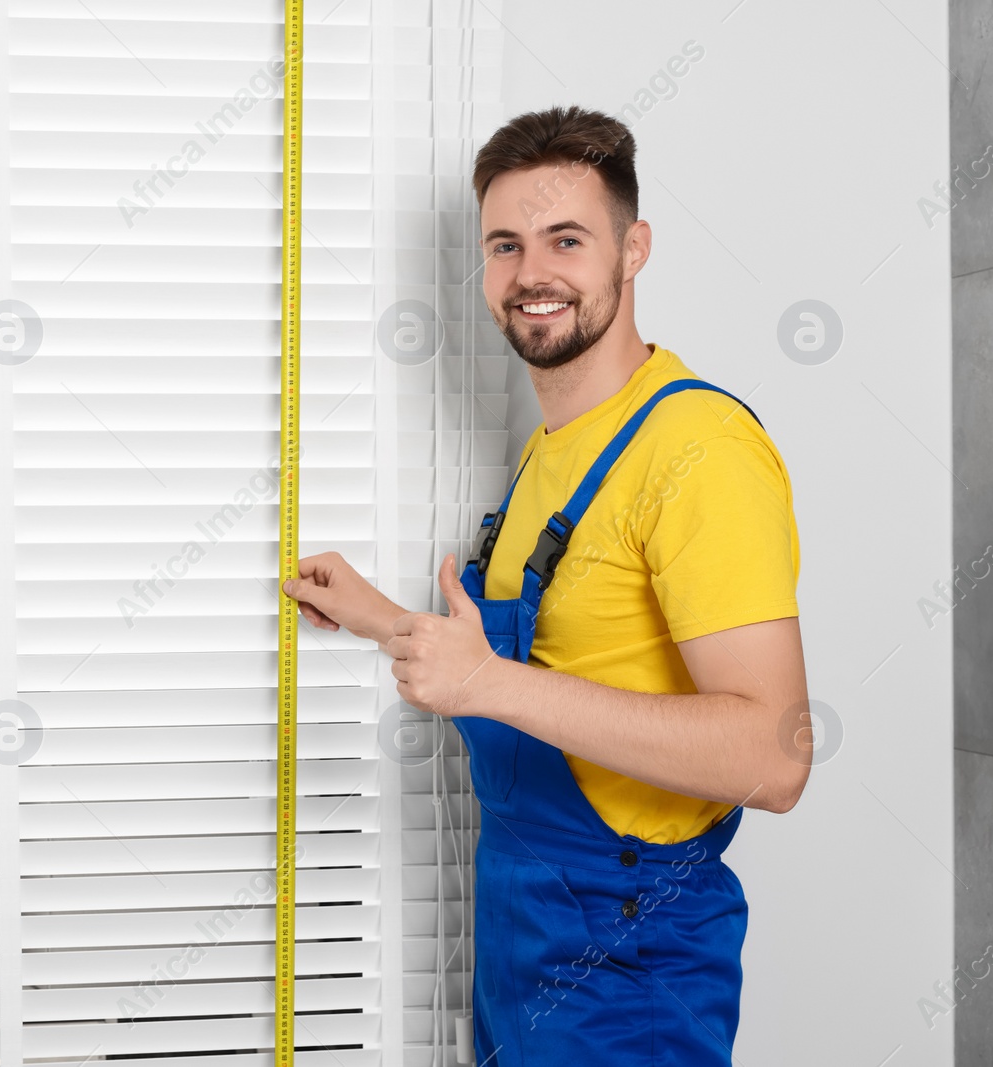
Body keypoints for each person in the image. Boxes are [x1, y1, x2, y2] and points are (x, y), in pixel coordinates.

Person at [282, 105, 809, 1065]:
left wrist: (483, 684)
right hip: (523, 928)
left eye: (567, 239)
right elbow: (550, 662)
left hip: (628, 952)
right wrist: (384, 621)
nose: (532, 273)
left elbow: (775, 760)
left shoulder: (699, 453)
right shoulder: (553, 451)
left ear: (633, 248)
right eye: (505, 244)